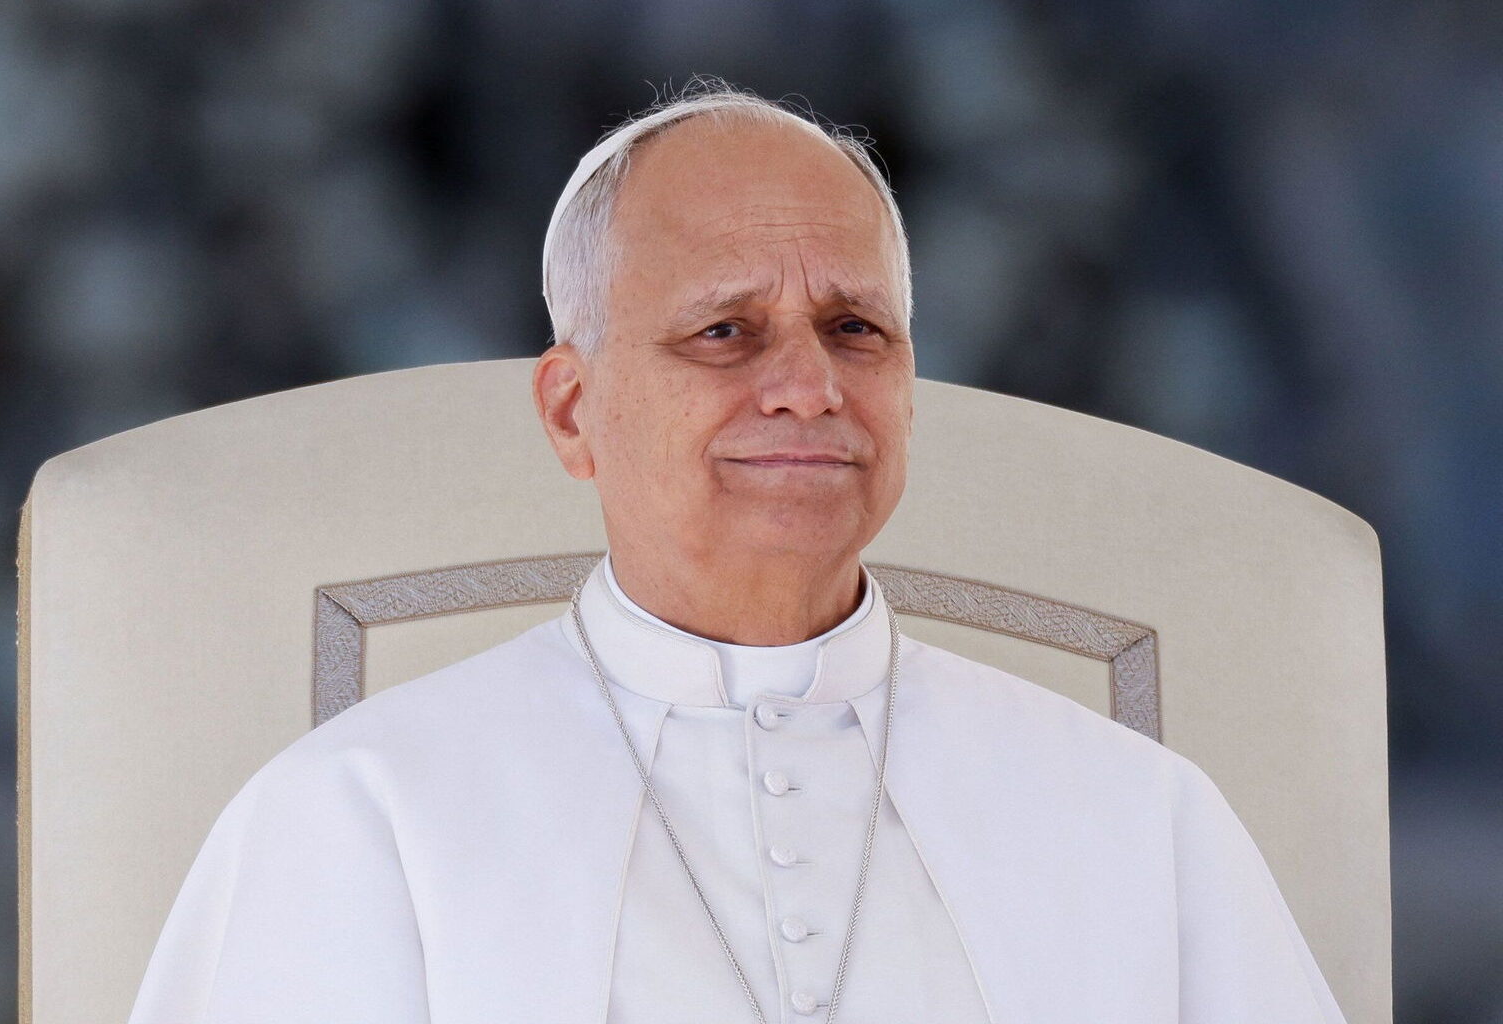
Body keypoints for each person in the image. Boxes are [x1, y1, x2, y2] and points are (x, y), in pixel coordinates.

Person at [127, 78, 1349, 1024]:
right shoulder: (359, 812)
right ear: (571, 409)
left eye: (854, 328)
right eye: (726, 331)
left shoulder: (1136, 815)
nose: (809, 386)